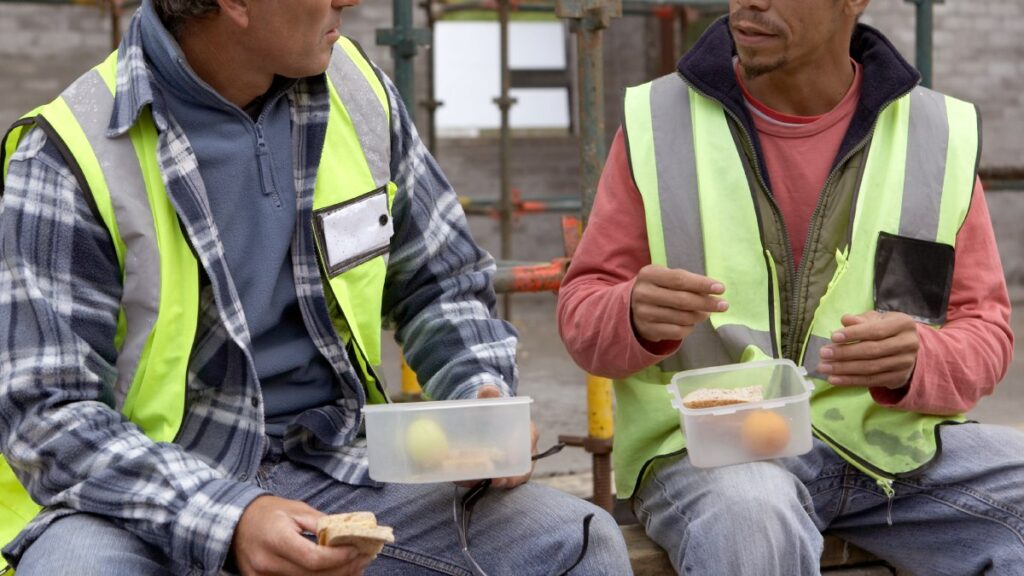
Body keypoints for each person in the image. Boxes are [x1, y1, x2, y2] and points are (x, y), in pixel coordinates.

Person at [0, 0, 632, 574]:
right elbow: (48, 416)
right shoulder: (65, 152)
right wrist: (231, 518)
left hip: (333, 467)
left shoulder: (357, 91)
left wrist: (480, 395)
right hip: (144, 503)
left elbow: (443, 282)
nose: (349, 2)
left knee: (575, 542)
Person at [557, 0, 1022, 573]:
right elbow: (583, 317)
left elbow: (984, 334)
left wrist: (918, 358)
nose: (749, 3)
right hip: (713, 451)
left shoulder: (935, 135)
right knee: (752, 519)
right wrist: (628, 313)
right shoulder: (660, 122)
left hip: (890, 452)